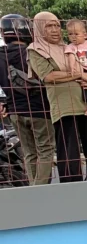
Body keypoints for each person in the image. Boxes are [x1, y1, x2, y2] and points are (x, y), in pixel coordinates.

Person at [26, 11, 87, 182]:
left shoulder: (69, 47)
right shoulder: (35, 49)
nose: (56, 29)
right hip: (64, 107)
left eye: (57, 25)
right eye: (49, 26)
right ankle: (72, 190)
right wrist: (81, 76)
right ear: (39, 28)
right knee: (69, 150)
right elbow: (48, 76)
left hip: (85, 103)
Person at [0, 14, 54, 185]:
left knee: (29, 152)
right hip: (40, 109)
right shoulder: (35, 51)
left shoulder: (1, 55)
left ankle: (32, 188)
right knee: (45, 150)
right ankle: (41, 190)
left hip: (15, 111)